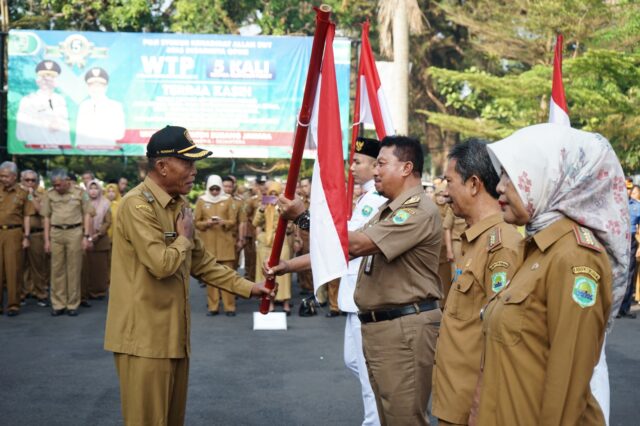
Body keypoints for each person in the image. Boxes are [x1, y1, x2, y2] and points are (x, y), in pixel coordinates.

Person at [104, 125, 272, 426]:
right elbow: (161, 265)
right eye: (188, 162)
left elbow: (203, 263)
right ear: (162, 166)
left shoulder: (178, 205)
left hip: (172, 337)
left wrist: (249, 287)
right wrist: (183, 238)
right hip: (143, 338)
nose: (194, 170)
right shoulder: (136, 205)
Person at [268, 136, 443, 425]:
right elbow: (343, 248)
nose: (375, 171)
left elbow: (355, 245)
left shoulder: (415, 211)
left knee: (403, 418)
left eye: (382, 164)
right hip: (384, 325)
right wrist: (288, 264)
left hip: (404, 328)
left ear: (406, 168)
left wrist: (303, 217)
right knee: (387, 413)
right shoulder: (387, 211)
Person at [472, 123, 629, 425]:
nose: (500, 187)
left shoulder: (574, 257)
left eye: (511, 175)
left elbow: (566, 386)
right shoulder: (535, 249)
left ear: (549, 178)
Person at [432, 140, 524, 426]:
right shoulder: (475, 239)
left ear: (473, 184)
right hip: (453, 400)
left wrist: (480, 408)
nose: (445, 192)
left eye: (450, 181)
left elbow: (499, 339)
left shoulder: (501, 246)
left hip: (471, 408)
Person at [339, 136, 387, 425]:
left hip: (363, 291)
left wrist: (306, 221)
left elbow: (348, 240)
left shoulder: (375, 200)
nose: (352, 167)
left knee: (369, 371)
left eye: (358, 162)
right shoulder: (366, 197)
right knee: (354, 361)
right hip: (352, 293)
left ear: (374, 165)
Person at [42, 168, 93, 316]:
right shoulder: (49, 194)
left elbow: (87, 214)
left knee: (74, 268)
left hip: (75, 232)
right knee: (56, 269)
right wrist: (46, 240)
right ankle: (58, 304)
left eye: (59, 185)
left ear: (67, 181)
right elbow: (46, 217)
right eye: (54, 185)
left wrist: (86, 236)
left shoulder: (80, 193)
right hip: (56, 232)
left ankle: (72, 304)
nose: (56, 188)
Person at [194, 175, 238, 316]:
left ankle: (229, 307)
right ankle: (213, 307)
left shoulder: (227, 199)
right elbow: (196, 222)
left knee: (228, 276)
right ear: (208, 188)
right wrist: (207, 223)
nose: (214, 192)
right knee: (211, 278)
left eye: (217, 189)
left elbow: (233, 221)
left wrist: (222, 222)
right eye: (212, 189)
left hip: (225, 243)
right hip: (209, 245)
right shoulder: (202, 200)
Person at [254, 181, 293, 314]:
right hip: (265, 241)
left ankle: (285, 302)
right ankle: (268, 301)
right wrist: (262, 208)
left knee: (283, 273)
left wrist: (279, 208)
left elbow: (291, 225)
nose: (273, 195)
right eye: (271, 193)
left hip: (281, 241)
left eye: (275, 193)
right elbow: (256, 222)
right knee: (266, 273)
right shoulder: (263, 205)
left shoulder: (284, 205)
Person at [0, 162, 34, 316]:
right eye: (1, 176)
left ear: (14, 176)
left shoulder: (22, 193)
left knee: (13, 269)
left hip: (14, 233)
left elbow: (27, 216)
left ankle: (13, 304)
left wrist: (26, 236)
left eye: (6, 176)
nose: (3, 179)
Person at [16, 60, 71, 148]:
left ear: (56, 82)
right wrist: (46, 124)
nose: (47, 81)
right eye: (43, 77)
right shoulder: (27, 100)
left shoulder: (60, 100)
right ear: (38, 80)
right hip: (34, 149)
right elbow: (21, 132)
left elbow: (66, 131)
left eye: (51, 78)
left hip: (57, 150)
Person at [75, 67, 126, 149]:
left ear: (106, 87)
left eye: (99, 85)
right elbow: (79, 136)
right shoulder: (83, 106)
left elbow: (119, 134)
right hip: (86, 153)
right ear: (87, 87)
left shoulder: (115, 106)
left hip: (109, 152)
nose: (95, 89)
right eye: (92, 85)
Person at [20, 169, 50, 307]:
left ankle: (41, 294)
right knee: (22, 265)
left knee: (38, 265)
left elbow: (41, 211)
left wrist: (31, 196)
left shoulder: (41, 195)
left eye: (33, 180)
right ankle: (24, 293)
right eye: (27, 180)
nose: (30, 183)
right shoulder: (16, 194)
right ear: (21, 180)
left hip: (37, 234)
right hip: (19, 233)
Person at [81, 180, 112, 300]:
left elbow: (108, 221)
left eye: (96, 188)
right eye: (91, 188)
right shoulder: (83, 203)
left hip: (100, 240)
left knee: (100, 268)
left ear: (100, 190)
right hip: (84, 238)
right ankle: (86, 291)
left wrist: (98, 234)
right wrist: (87, 234)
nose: (93, 191)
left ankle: (99, 291)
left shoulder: (105, 203)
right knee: (86, 267)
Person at [617, 183, 640, 319]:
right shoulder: (617, 202)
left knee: (628, 274)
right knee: (616, 272)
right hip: (617, 238)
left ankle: (624, 308)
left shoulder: (637, 206)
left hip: (630, 240)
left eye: (631, 189)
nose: (628, 191)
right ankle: (613, 307)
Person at [434, 182, 455, 301]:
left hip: (446, 250)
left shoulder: (451, 210)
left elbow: (448, 228)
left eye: (443, 195)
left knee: (447, 277)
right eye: (438, 195)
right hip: (434, 251)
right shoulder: (431, 209)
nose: (441, 198)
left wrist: (449, 250)